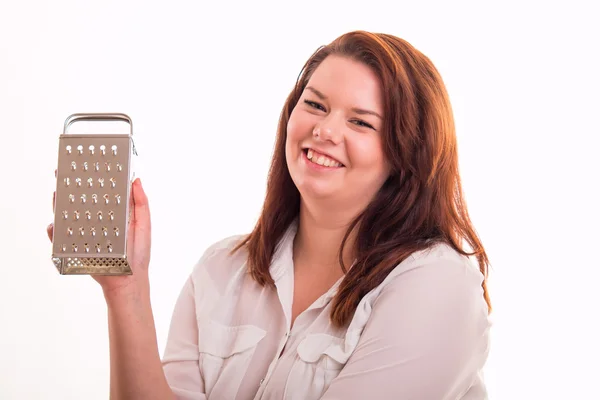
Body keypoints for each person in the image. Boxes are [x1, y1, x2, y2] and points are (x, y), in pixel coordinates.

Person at [48, 30, 492, 399]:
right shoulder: (221, 270)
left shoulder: (437, 286)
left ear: (405, 154)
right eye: (315, 105)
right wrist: (126, 289)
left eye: (361, 122)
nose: (324, 130)